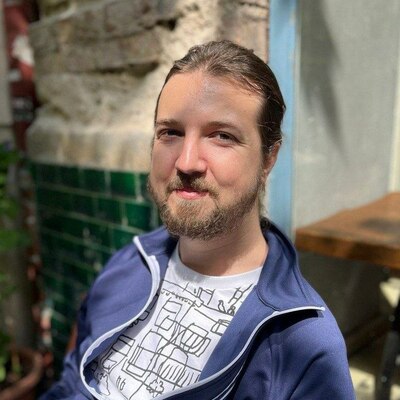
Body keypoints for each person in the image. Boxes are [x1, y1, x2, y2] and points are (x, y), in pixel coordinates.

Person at [41, 40, 355, 399]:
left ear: (269, 158)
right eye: (171, 133)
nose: (187, 162)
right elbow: (71, 381)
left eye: (222, 136)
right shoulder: (131, 262)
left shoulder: (305, 346)